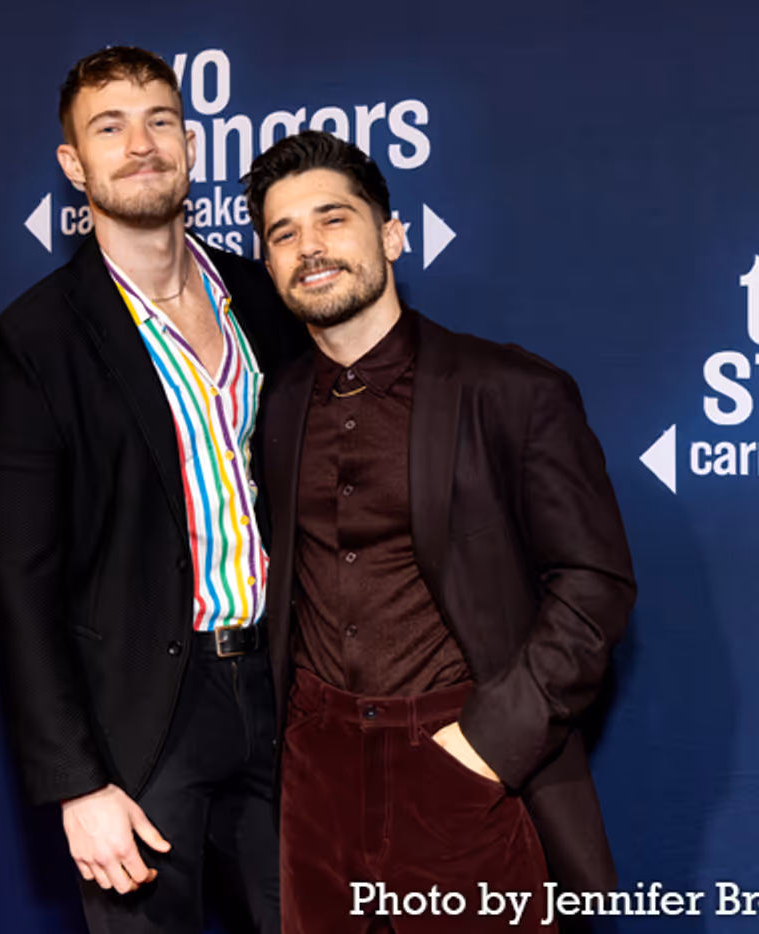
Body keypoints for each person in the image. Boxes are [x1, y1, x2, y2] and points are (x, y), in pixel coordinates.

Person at [242, 131, 637, 932]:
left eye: (333, 220)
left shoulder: (512, 390)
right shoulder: (275, 404)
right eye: (284, 234)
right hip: (315, 770)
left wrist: (487, 743)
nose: (310, 248)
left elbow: (595, 585)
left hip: (462, 755)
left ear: (391, 235)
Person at [0, 46, 303, 934]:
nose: (141, 144)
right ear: (75, 166)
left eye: (159, 121)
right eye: (109, 128)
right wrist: (76, 782)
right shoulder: (33, 340)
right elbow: (18, 582)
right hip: (145, 717)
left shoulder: (262, 299)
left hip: (287, 688)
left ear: (190, 144)